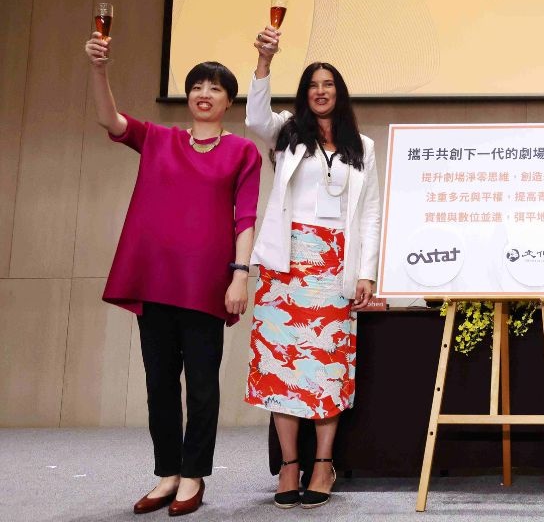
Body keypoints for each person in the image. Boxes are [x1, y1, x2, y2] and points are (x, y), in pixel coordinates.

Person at [85, 32, 261, 517]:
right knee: (159, 382)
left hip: (207, 284)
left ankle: (194, 474)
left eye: (215, 88)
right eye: (197, 86)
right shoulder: (159, 139)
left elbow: (245, 217)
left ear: (228, 102)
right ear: (188, 97)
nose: (204, 94)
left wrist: (240, 275)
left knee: (202, 385)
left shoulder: (242, 152)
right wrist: (99, 69)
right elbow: (110, 119)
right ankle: (167, 472)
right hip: (156, 280)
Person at [244, 26, 381, 509]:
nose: (321, 91)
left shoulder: (362, 146)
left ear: (339, 94)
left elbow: (370, 213)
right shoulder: (287, 133)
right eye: (313, 86)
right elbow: (255, 116)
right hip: (286, 264)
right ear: (304, 95)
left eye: (329, 85)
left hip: (334, 265)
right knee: (280, 366)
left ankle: (323, 463)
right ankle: (289, 465)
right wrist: (264, 63)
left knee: (326, 365)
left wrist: (366, 272)